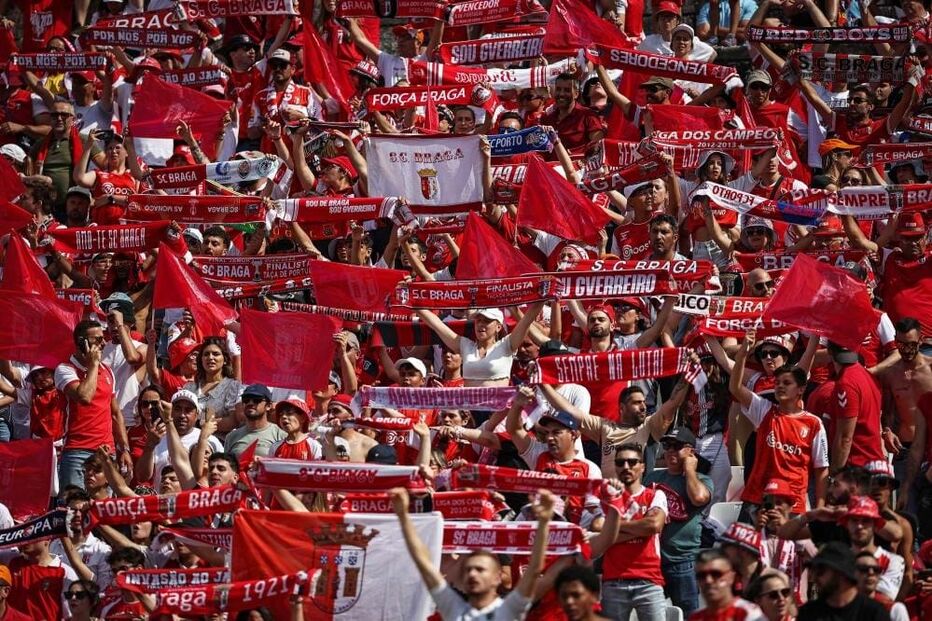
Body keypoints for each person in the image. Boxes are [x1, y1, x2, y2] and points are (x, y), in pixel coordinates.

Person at [390, 486, 557, 620]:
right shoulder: (452, 608)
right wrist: (403, 516)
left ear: (498, 577)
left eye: (480, 569)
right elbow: (423, 563)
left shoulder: (510, 608)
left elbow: (534, 568)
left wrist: (543, 522)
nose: (472, 574)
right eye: (468, 569)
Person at [729, 329, 829, 515]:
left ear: (801, 389)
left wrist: (820, 507)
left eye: (786, 383)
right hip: (757, 500)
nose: (780, 386)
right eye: (777, 383)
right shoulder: (763, 410)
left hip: (793, 504)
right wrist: (744, 351)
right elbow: (735, 388)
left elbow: (821, 469)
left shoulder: (814, 424)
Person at [54, 320, 132, 489]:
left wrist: (124, 448)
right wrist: (93, 365)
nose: (103, 343)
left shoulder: (107, 370)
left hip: (106, 452)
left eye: (103, 338)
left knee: (105, 510)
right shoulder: (65, 369)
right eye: (97, 339)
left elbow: (115, 413)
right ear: (82, 342)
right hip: (77, 452)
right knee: (74, 508)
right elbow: (84, 397)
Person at [645, 427, 713, 616]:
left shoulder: (702, 480)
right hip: (652, 561)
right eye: (667, 446)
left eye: (677, 446)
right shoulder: (652, 478)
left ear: (691, 451)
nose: (670, 451)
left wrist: (690, 469)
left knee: (689, 615)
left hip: (682, 562)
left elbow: (699, 498)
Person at [599, 443, 668, 621]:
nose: (626, 467)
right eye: (620, 463)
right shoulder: (606, 499)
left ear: (643, 466)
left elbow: (654, 525)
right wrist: (640, 528)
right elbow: (598, 530)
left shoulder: (655, 495)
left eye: (632, 462)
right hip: (613, 581)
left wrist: (613, 527)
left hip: (649, 581)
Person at [416, 304, 545, 387]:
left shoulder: (507, 344)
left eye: (487, 321)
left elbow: (528, 319)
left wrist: (544, 294)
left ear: (498, 327)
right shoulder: (465, 345)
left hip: (496, 410)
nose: (481, 324)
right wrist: (412, 300)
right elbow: (436, 324)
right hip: (470, 410)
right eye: (478, 320)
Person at [798, 542, 891, 621]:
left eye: (820, 571)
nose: (814, 578)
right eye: (813, 570)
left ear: (841, 574)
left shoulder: (874, 614)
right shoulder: (808, 613)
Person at [690, 549, 764, 620]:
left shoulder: (749, 615)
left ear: (731, 577)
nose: (708, 580)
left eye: (716, 574)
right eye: (701, 576)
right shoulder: (695, 618)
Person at [223, 384, 286, 457]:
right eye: (246, 400)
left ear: (268, 406)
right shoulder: (231, 437)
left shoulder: (280, 435)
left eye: (256, 400)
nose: (250, 403)